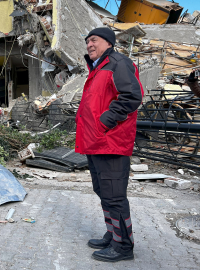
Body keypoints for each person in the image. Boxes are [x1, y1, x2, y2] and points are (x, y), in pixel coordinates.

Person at [75, 27, 143, 262]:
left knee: (114, 196)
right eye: (87, 42)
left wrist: (104, 122)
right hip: (95, 142)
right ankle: (114, 234)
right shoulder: (98, 68)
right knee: (103, 192)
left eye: (94, 40)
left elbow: (132, 96)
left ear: (108, 43)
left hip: (110, 142)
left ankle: (123, 246)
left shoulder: (118, 63)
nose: (89, 45)